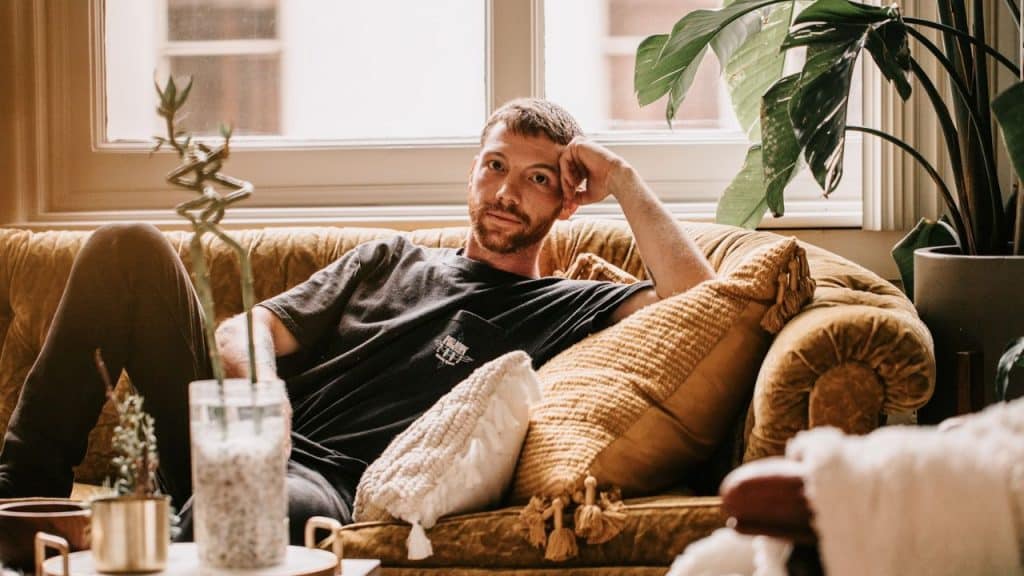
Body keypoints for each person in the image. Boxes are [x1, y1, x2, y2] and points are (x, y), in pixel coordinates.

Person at [0, 99, 714, 542]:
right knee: (128, 249)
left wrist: (619, 176)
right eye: (493, 166)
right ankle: (15, 497)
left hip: (326, 484)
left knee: (264, 511)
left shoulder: (565, 305)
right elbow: (238, 334)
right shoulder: (387, 259)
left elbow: (701, 304)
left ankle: (180, 535)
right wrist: (262, 394)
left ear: (566, 203)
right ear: (470, 175)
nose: (504, 191)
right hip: (240, 434)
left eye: (535, 178)